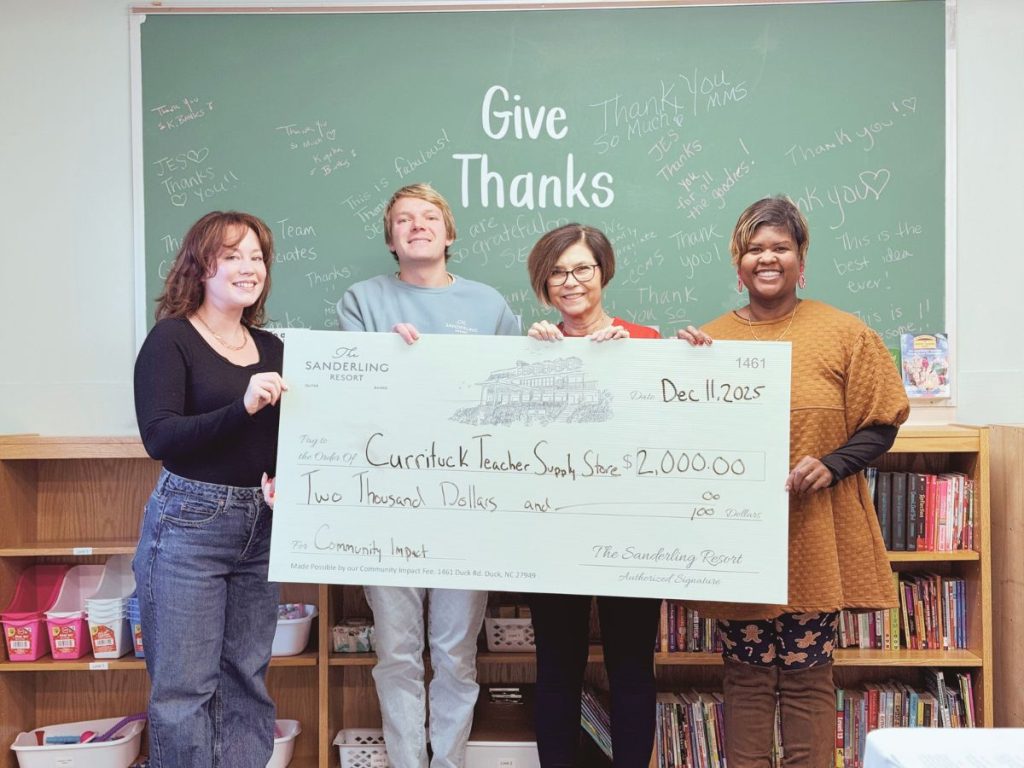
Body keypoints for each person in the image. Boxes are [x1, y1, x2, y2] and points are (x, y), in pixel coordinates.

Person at [677, 196, 909, 768]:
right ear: (738, 264)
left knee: (808, 676)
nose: (767, 258)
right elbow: (684, 438)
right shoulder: (709, 341)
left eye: (780, 247)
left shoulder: (844, 333)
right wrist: (684, 371)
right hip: (739, 537)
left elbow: (881, 424)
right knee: (747, 675)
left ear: (801, 259)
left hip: (815, 531)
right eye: (754, 249)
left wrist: (833, 463)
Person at [336, 183, 519, 768]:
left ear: (449, 232)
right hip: (387, 503)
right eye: (403, 220)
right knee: (396, 653)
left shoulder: (489, 305)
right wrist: (383, 361)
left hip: (468, 506)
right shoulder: (362, 301)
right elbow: (349, 393)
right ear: (391, 239)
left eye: (430, 217)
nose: (417, 226)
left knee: (455, 653)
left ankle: (449, 761)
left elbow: (515, 400)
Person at [525, 223, 708, 768]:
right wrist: (539, 358)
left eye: (582, 268)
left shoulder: (647, 342)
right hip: (555, 531)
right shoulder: (534, 347)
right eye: (557, 272)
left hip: (632, 531)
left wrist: (693, 358)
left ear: (603, 272)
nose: (571, 281)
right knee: (556, 669)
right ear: (544, 284)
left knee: (630, 668)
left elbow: (679, 429)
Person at [132, 211, 287, 768]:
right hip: (188, 527)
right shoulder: (171, 339)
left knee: (246, 679)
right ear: (200, 267)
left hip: (261, 526)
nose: (249, 268)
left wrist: (286, 474)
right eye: (232, 256)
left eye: (257, 257)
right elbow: (160, 436)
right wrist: (240, 406)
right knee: (184, 688)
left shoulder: (272, 347)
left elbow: (289, 436)